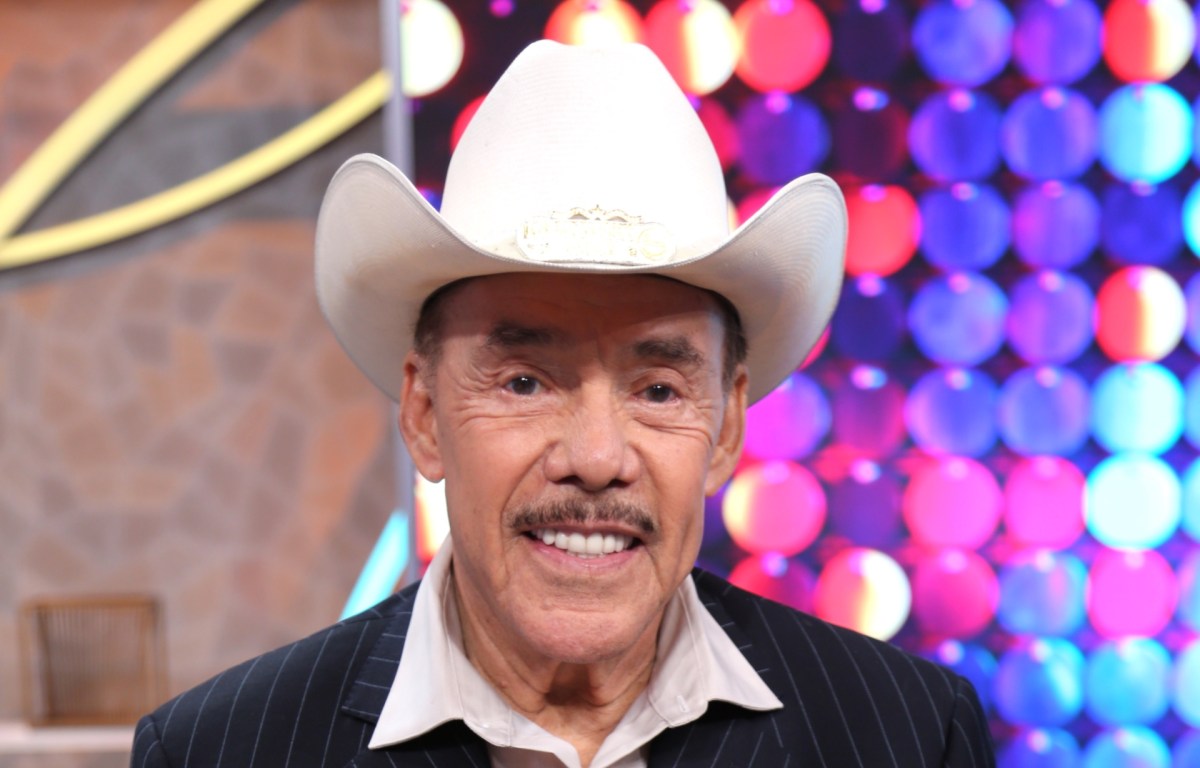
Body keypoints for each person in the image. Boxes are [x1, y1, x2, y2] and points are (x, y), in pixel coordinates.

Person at [131, 41, 995, 768]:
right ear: (424, 415)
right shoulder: (217, 752)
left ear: (728, 426)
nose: (596, 456)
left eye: (658, 390)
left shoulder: (909, 736)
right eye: (525, 383)